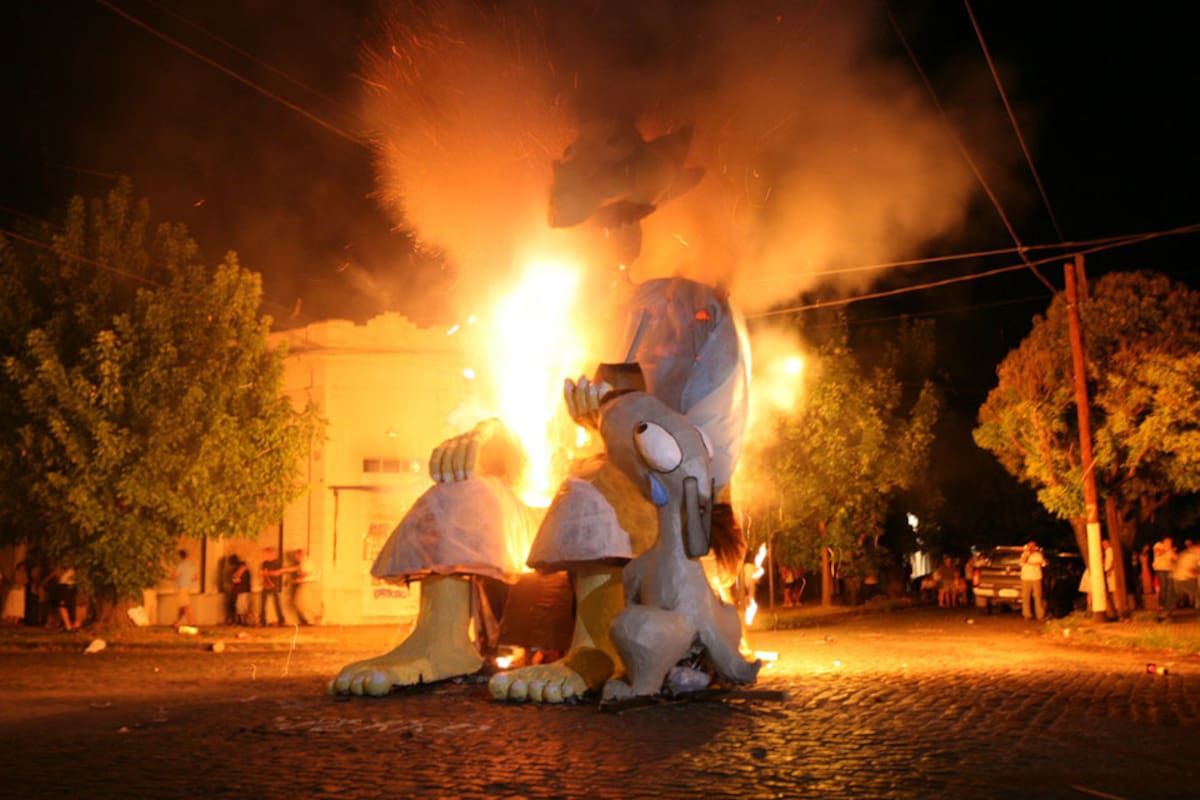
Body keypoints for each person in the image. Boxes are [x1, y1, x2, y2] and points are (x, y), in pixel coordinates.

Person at [1160, 541, 1199, 621]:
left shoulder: (1186, 553)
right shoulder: (1195, 554)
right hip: (1185, 579)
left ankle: (1165, 615)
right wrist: (1196, 571)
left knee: (1173, 598)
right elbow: (1191, 569)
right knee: (1198, 594)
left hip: (1175, 577)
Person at [290, 549, 322, 626]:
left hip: (307, 583)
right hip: (309, 583)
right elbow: (295, 568)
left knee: (299, 601)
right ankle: (313, 618)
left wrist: (296, 580)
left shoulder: (305, 562)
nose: (295, 558)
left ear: (299, 555)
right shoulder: (306, 562)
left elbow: (306, 574)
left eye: (296, 556)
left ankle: (314, 617)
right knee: (304, 602)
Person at [1019, 540, 1046, 621]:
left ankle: (1040, 615)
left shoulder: (1038, 555)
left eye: (1032, 546)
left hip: (1036, 577)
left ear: (1035, 547)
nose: (1031, 547)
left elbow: (1040, 563)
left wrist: (1029, 563)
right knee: (1026, 597)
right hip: (1026, 578)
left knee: (1038, 597)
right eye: (1029, 546)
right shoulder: (1024, 554)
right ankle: (1027, 614)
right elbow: (1022, 562)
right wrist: (1027, 555)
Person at [259, 547, 286, 626]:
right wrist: (266, 580)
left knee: (277, 603)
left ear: (271, 554)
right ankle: (262, 621)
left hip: (274, 585)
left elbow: (276, 573)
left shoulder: (277, 563)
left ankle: (281, 620)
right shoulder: (265, 563)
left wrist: (267, 574)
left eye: (266, 554)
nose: (265, 556)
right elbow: (262, 573)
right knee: (263, 603)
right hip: (266, 585)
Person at [172, 549, 197, 629]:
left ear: (180, 556)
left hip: (182, 587)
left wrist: (172, 576)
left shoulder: (181, 565)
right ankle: (178, 622)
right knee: (182, 606)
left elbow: (174, 575)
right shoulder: (191, 565)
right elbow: (196, 577)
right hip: (188, 587)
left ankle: (192, 623)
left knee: (185, 606)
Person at [1152, 537, 1176, 611]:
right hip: (1160, 569)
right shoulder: (1158, 545)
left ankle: (1168, 604)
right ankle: (1161, 604)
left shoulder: (1170, 550)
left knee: (1170, 587)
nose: (1170, 543)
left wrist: (1173, 553)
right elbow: (1158, 553)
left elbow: (1175, 558)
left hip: (1170, 569)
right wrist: (1167, 549)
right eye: (1168, 541)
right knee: (1164, 586)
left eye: (1171, 542)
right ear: (1164, 541)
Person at [2, 561, 27, 625]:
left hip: (21, 591)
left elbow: (26, 581)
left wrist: (22, 580)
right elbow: (17, 580)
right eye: (22, 567)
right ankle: (9, 619)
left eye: (24, 567)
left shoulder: (24, 573)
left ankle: (15, 620)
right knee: (12, 604)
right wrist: (21, 581)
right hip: (14, 590)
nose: (23, 568)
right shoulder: (15, 572)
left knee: (19, 605)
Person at [231, 555, 252, 625]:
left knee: (243, 607)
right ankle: (241, 621)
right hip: (240, 592)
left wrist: (237, 576)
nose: (240, 568)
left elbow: (237, 580)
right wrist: (237, 575)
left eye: (241, 567)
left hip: (244, 591)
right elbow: (234, 578)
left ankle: (244, 621)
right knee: (239, 606)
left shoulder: (246, 573)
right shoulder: (241, 572)